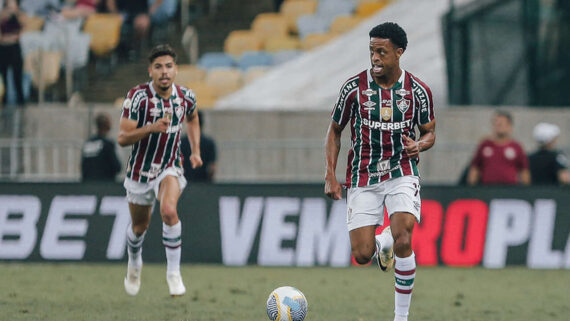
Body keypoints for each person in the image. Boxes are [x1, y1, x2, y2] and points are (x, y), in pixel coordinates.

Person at [324, 22, 436, 321]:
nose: (375, 58)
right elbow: (335, 131)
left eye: (382, 52)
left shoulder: (418, 91)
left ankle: (401, 317)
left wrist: (420, 146)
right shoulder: (353, 88)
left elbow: (429, 132)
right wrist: (330, 174)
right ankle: (381, 244)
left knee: (403, 237)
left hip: (402, 170)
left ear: (399, 53)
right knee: (361, 255)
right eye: (372, 51)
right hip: (363, 175)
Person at [117, 44, 202, 297]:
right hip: (140, 172)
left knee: (168, 211)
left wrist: (195, 150)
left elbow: (193, 118)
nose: (164, 72)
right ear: (150, 71)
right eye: (158, 67)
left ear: (175, 70)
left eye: (168, 66)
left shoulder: (186, 97)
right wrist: (150, 128)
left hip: (170, 166)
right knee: (139, 227)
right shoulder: (138, 97)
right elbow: (122, 138)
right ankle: (134, 262)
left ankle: (173, 273)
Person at [467, 110, 530, 185]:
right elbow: (475, 168)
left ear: (509, 126)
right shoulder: (485, 145)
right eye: (496, 123)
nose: (498, 126)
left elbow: (524, 171)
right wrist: (471, 187)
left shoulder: (516, 147)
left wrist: (526, 189)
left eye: (501, 124)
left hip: (509, 189)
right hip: (487, 189)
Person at [81, 112, 121, 181]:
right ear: (108, 126)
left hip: (88, 185)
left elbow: (83, 166)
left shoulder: (88, 143)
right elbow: (117, 167)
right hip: (105, 185)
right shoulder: (108, 144)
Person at [180, 110, 216, 182]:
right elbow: (212, 168)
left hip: (185, 183)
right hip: (204, 184)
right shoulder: (209, 143)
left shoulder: (181, 142)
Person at [0, 0, 25, 106]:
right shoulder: (2, 16)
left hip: (15, 47)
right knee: (3, 76)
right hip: (3, 48)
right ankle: (4, 101)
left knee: (17, 77)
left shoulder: (20, 15)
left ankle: (20, 101)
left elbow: (23, 28)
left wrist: (16, 14)